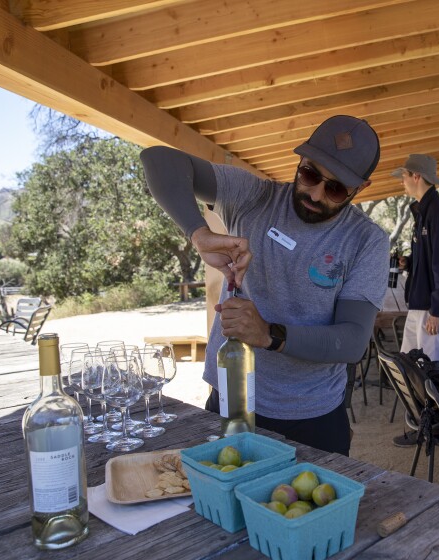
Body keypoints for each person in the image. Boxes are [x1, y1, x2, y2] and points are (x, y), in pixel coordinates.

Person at [140, 115, 390, 456]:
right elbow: (158, 159)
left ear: (361, 189)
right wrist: (198, 234)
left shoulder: (366, 240)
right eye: (310, 174)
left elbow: (351, 342)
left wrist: (270, 335)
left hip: (311, 414)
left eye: (335, 188)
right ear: (299, 161)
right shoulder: (255, 195)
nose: (315, 194)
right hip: (230, 397)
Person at [393, 154, 439, 363]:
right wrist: (409, 261)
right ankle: (418, 397)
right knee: (409, 364)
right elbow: (429, 255)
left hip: (433, 305)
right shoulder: (423, 211)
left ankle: (430, 398)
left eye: (404, 176)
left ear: (416, 176)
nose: (402, 181)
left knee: (429, 369)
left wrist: (438, 309)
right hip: (421, 301)